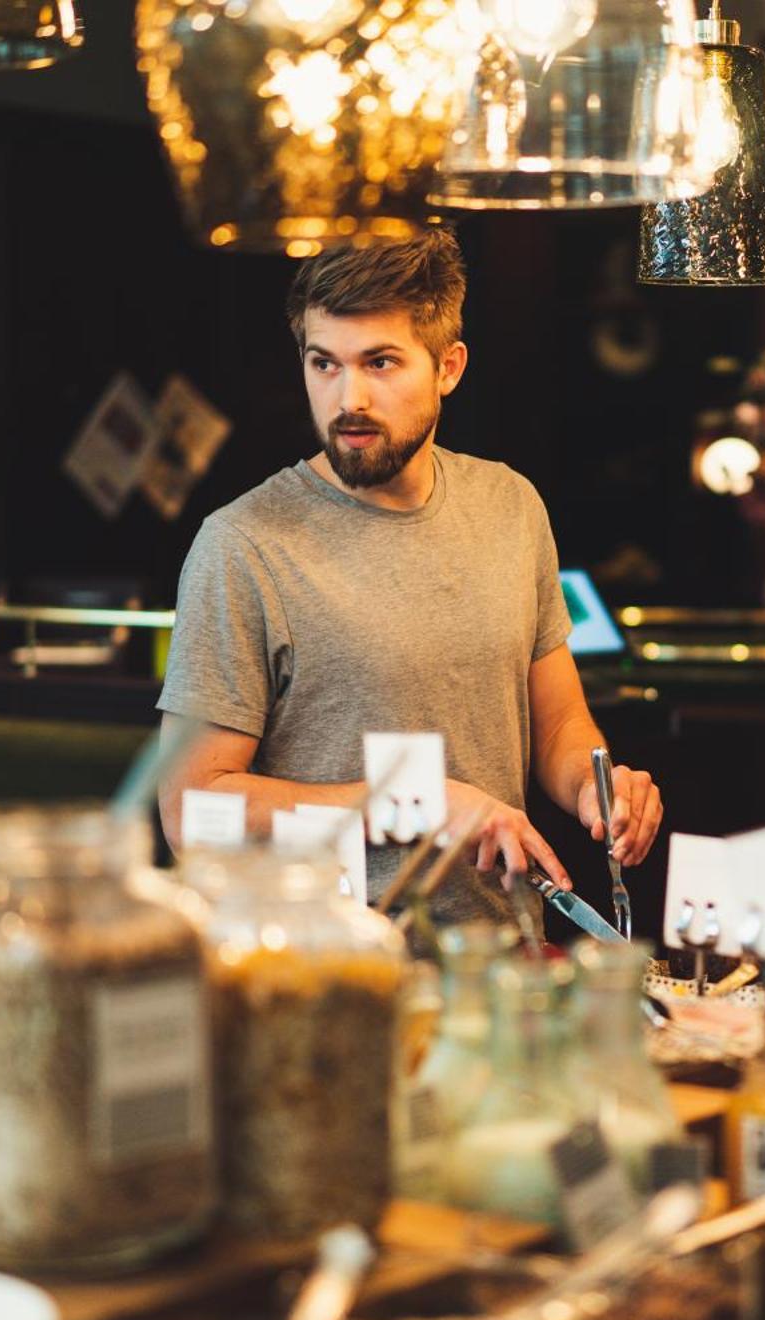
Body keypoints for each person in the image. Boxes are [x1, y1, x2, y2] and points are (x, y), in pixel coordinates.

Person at [156, 229, 663, 921]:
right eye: (324, 364)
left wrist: (596, 786)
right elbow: (191, 810)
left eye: (380, 363)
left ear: (449, 366)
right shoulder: (243, 545)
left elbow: (556, 725)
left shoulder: (511, 505)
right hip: (328, 980)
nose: (347, 399)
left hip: (496, 960)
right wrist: (418, 803)